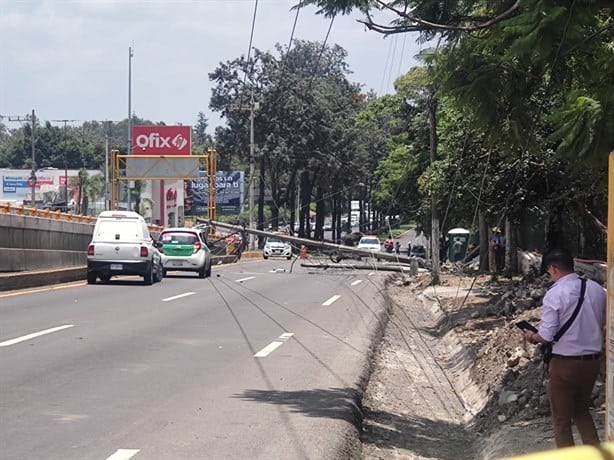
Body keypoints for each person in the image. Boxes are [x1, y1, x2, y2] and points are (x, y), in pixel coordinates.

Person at [522, 248, 606, 448]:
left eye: (549, 272)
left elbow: (546, 336)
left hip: (565, 363)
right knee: (581, 410)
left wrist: (531, 337)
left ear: (553, 268)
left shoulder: (555, 293)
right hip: (593, 362)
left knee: (561, 420)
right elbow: (601, 322)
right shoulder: (596, 289)